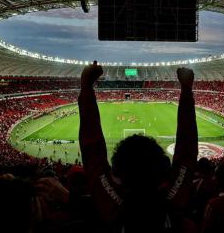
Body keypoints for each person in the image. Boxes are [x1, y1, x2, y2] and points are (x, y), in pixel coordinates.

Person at [78, 61, 198, 233]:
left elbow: (92, 154)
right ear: (163, 168)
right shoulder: (174, 201)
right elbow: (187, 151)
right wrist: (186, 89)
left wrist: (86, 86)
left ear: (117, 173)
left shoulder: (111, 205)